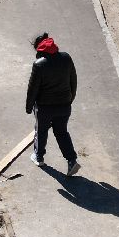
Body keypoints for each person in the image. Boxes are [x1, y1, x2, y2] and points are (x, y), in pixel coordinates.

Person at [25, 32, 79, 176]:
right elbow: (73, 81)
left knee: (41, 131)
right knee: (61, 132)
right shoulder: (66, 58)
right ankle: (71, 160)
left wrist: (29, 107)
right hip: (64, 105)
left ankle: (39, 156)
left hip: (44, 108)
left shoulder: (39, 65)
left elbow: (33, 89)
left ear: (39, 48)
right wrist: (70, 99)